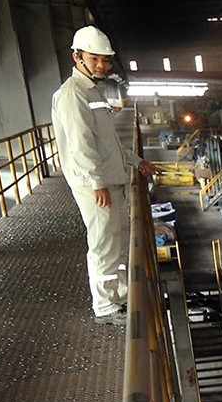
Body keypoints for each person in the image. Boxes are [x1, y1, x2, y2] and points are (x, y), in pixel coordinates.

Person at [51, 26, 156, 326]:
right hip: (95, 184)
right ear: (77, 56)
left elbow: (108, 141)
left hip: (110, 178)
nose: (101, 65)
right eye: (95, 59)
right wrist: (96, 183)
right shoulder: (72, 95)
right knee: (103, 243)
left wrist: (136, 161)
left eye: (106, 60)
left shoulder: (93, 92)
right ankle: (105, 306)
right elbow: (80, 144)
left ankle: (121, 296)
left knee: (118, 239)